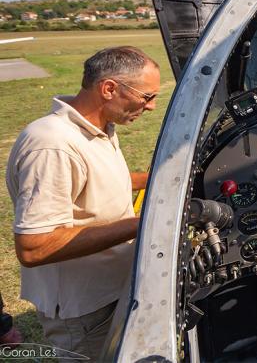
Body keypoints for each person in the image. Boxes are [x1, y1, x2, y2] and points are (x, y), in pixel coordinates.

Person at [5, 46, 160, 360]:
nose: (152, 107)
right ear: (109, 89)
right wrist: (147, 221)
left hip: (109, 291)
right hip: (86, 309)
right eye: (146, 97)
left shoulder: (96, 128)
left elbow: (95, 179)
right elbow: (34, 247)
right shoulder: (52, 145)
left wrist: (162, 177)